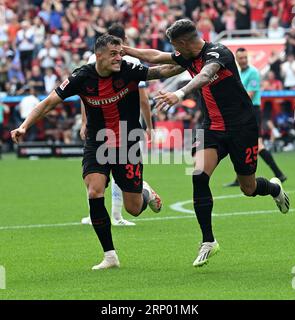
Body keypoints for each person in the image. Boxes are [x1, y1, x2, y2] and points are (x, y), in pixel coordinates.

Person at [123, 19, 290, 267]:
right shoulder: (187, 56)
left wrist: (179, 94)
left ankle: (274, 188)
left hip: (242, 128)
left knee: (248, 187)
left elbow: (205, 75)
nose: (175, 51)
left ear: (183, 43)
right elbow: (157, 57)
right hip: (211, 128)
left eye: (175, 46)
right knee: (199, 175)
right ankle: (208, 241)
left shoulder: (218, 52)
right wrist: (128, 51)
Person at [11, 34, 184, 270]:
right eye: (113, 54)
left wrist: (187, 61)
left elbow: (161, 71)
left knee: (133, 209)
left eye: (120, 53)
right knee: (94, 192)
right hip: (97, 143)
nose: (118, 57)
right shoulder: (81, 77)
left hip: (127, 144)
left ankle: (144, 191)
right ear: (98, 54)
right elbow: (48, 102)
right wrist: (24, 125)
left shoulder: (128, 70)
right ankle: (110, 255)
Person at [80, 23, 153, 227]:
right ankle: (114, 215)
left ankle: (121, 211)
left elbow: (82, 96)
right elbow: (143, 99)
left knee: (120, 174)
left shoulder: (125, 61)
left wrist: (84, 121)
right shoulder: (125, 58)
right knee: (97, 179)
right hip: (105, 127)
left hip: (122, 129)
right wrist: (149, 125)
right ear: (125, 41)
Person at [224, 48, 287, 187]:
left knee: (257, 145)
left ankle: (279, 173)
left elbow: (249, 95)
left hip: (252, 111)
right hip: (243, 112)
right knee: (239, 144)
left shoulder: (253, 72)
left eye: (245, 57)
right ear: (237, 59)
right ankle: (240, 178)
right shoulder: (239, 72)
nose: (244, 60)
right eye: (241, 58)